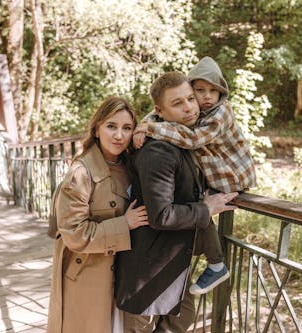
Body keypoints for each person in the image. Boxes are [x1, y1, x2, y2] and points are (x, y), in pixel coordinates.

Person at [115, 71, 239, 333]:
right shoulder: (158, 150)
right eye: (177, 103)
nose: (189, 108)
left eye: (191, 99)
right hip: (148, 275)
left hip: (171, 269)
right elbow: (161, 215)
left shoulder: (180, 140)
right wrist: (206, 209)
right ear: (160, 111)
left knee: (183, 318)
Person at [132, 56, 257, 295]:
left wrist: (151, 128)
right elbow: (157, 114)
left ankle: (214, 262)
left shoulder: (220, 113)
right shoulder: (195, 110)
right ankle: (211, 261)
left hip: (232, 176)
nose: (206, 97)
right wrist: (144, 124)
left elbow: (193, 139)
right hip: (213, 172)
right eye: (199, 91)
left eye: (214, 91)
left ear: (223, 92)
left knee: (202, 206)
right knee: (199, 206)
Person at [47, 96, 149, 333]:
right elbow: (74, 233)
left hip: (123, 275)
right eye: (111, 126)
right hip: (87, 276)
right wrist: (124, 224)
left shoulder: (131, 164)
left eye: (127, 128)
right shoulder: (81, 173)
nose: (119, 135)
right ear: (96, 128)